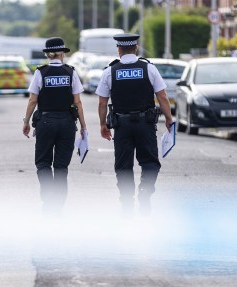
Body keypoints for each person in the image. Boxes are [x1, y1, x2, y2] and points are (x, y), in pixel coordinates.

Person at [96, 33, 173, 217]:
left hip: (121, 125)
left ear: (119, 49)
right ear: (136, 47)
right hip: (145, 123)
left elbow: (102, 102)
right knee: (150, 162)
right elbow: (162, 96)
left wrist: (102, 125)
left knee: (123, 165)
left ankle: (126, 201)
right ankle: (145, 193)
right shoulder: (148, 68)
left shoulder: (109, 71)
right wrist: (169, 119)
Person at [23, 37, 87, 216]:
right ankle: (58, 204)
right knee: (61, 166)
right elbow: (78, 103)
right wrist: (83, 126)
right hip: (67, 123)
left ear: (48, 54)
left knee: (43, 162)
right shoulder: (71, 72)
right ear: (62, 54)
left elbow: (33, 100)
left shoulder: (40, 73)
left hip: (45, 122)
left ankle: (48, 195)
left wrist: (26, 121)